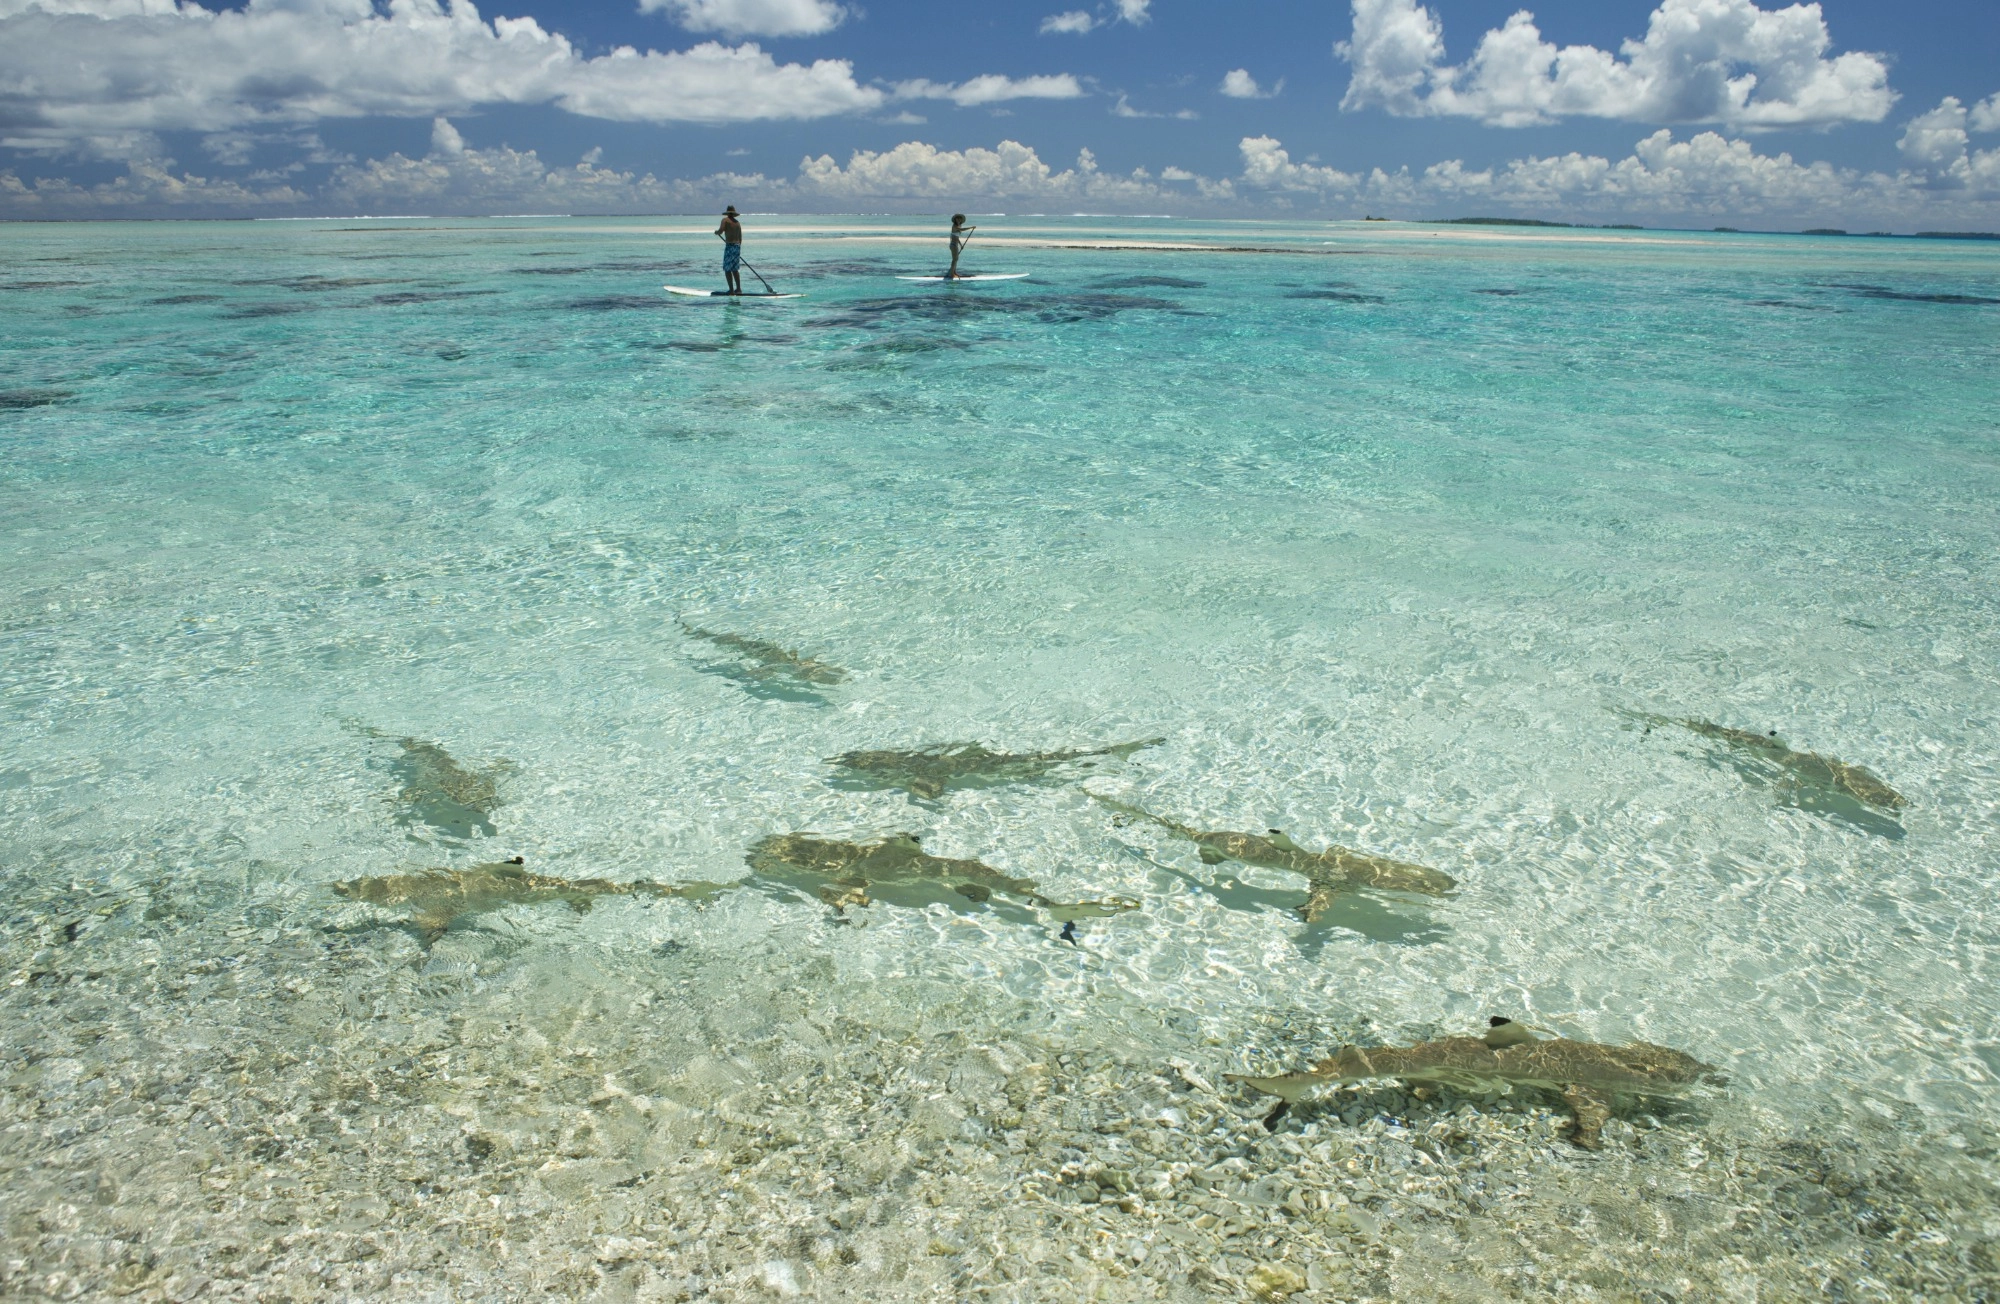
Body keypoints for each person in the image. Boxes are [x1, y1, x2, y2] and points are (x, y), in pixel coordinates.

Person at [715, 205, 743, 295]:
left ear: (728, 213)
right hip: (737, 246)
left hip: (730, 246)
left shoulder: (725, 220)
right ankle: (738, 289)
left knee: (727, 269)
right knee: (735, 269)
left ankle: (731, 290)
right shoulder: (737, 223)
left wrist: (717, 232)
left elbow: (721, 230)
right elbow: (740, 238)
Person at [947, 213, 975, 279]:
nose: (958, 219)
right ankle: (951, 274)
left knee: (956, 259)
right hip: (953, 245)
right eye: (957, 218)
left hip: (956, 245)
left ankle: (954, 272)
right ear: (955, 219)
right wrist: (971, 227)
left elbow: (957, 237)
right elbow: (961, 230)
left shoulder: (959, 226)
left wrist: (961, 245)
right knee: (954, 259)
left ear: (961, 220)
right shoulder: (954, 226)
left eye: (959, 219)